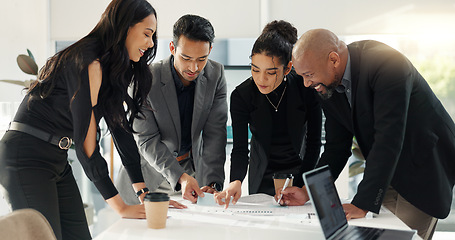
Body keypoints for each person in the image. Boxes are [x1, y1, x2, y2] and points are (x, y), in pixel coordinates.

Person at [0, 1, 185, 239]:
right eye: (147, 34)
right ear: (125, 27)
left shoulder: (110, 68)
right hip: (25, 158)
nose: (150, 43)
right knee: (45, 235)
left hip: (55, 159)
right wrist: (121, 206)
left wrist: (142, 191)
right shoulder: (89, 62)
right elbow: (87, 148)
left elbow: (121, 131)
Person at [281, 28, 455, 240]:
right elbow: (336, 146)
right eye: (302, 77)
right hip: (387, 172)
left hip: (423, 166)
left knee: (400, 237)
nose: (307, 83)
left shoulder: (387, 64)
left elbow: (388, 139)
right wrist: (309, 192)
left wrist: (362, 203)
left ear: (333, 60)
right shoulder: (326, 83)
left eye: (309, 75)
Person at [116, 14, 227, 204]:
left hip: (193, 177)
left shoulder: (215, 74)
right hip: (148, 175)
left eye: (202, 59)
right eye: (186, 58)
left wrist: (212, 182)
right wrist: (180, 177)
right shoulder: (145, 79)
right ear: (172, 48)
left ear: (210, 50)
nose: (194, 67)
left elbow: (215, 133)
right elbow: (147, 140)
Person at [214, 20, 322, 208]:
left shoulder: (305, 89)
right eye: (255, 69)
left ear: (287, 68)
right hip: (262, 175)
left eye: (270, 72)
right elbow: (240, 149)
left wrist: (304, 185)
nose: (261, 79)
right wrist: (236, 181)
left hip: (301, 170)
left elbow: (314, 143)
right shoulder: (242, 95)